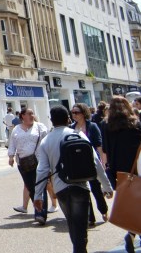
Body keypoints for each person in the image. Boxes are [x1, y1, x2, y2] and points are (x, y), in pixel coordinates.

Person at [34, 106, 113, 253]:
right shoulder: (79, 135)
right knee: (80, 226)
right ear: (68, 119)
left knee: (73, 223)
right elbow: (96, 164)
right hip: (80, 186)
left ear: (52, 121)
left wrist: (38, 195)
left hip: (61, 188)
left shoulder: (46, 141)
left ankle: (79, 249)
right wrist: (107, 187)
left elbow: (42, 170)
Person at [101, 95, 141, 253]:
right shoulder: (136, 123)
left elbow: (104, 149)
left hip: (118, 171)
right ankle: (132, 232)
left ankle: (132, 231)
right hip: (136, 169)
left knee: (129, 202)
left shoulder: (105, 125)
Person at [69, 103, 107, 225]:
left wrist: (102, 162)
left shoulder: (92, 126)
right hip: (79, 164)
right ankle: (90, 217)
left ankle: (103, 210)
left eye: (77, 112)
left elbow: (98, 145)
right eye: (73, 112)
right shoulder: (71, 128)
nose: (74, 115)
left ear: (83, 113)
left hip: (92, 161)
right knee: (84, 190)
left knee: (96, 188)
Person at [8, 107, 48, 224]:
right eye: (29, 113)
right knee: (31, 188)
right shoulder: (16, 129)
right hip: (23, 163)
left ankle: (41, 214)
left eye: (32, 113)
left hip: (39, 161)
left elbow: (47, 143)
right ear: (22, 116)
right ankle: (38, 209)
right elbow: (12, 143)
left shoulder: (40, 127)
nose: (31, 115)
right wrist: (11, 157)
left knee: (40, 187)